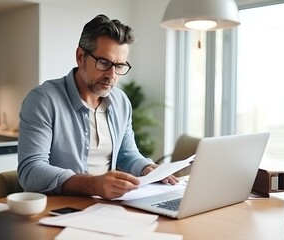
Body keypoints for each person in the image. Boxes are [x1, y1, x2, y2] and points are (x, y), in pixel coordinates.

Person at [17, 14, 178, 200]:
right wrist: (93, 184)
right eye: (104, 63)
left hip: (106, 208)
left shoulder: (121, 102)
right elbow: (30, 170)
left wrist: (147, 168)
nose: (112, 75)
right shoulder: (43, 100)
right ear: (80, 57)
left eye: (119, 66)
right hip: (56, 209)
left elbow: (127, 154)